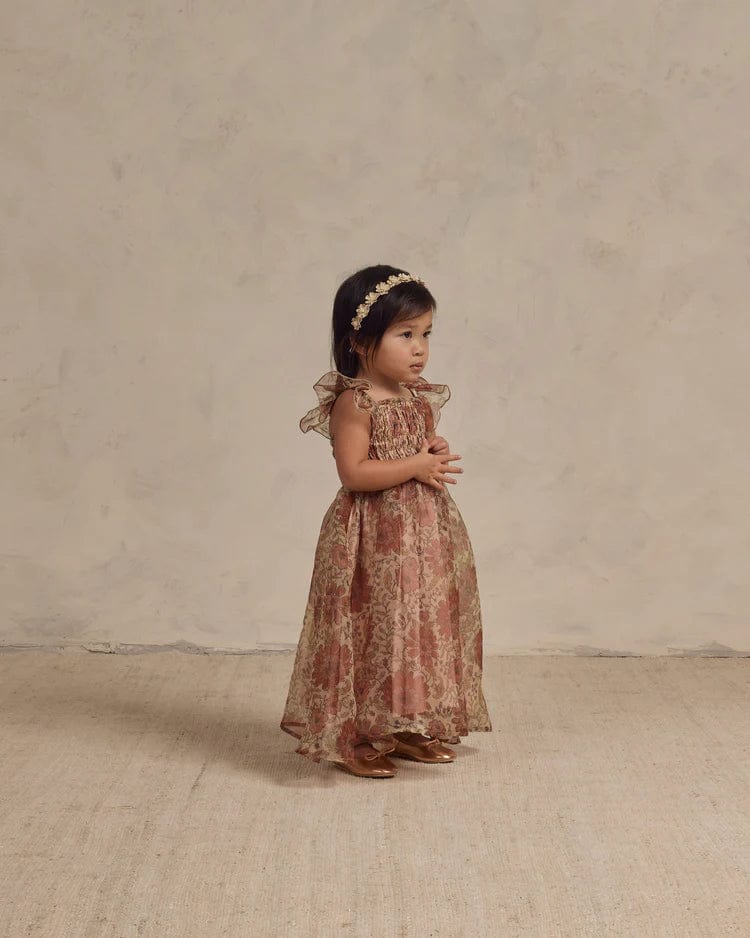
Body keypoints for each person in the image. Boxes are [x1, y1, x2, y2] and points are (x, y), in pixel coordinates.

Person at [280, 264, 492, 778]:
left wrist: (430, 450)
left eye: (426, 334)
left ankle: (402, 724)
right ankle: (354, 734)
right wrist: (416, 465)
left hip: (421, 534)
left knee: (412, 626)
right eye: (405, 335)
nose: (420, 349)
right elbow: (354, 472)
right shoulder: (355, 402)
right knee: (371, 626)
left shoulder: (417, 398)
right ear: (359, 341)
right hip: (371, 536)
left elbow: (413, 451)